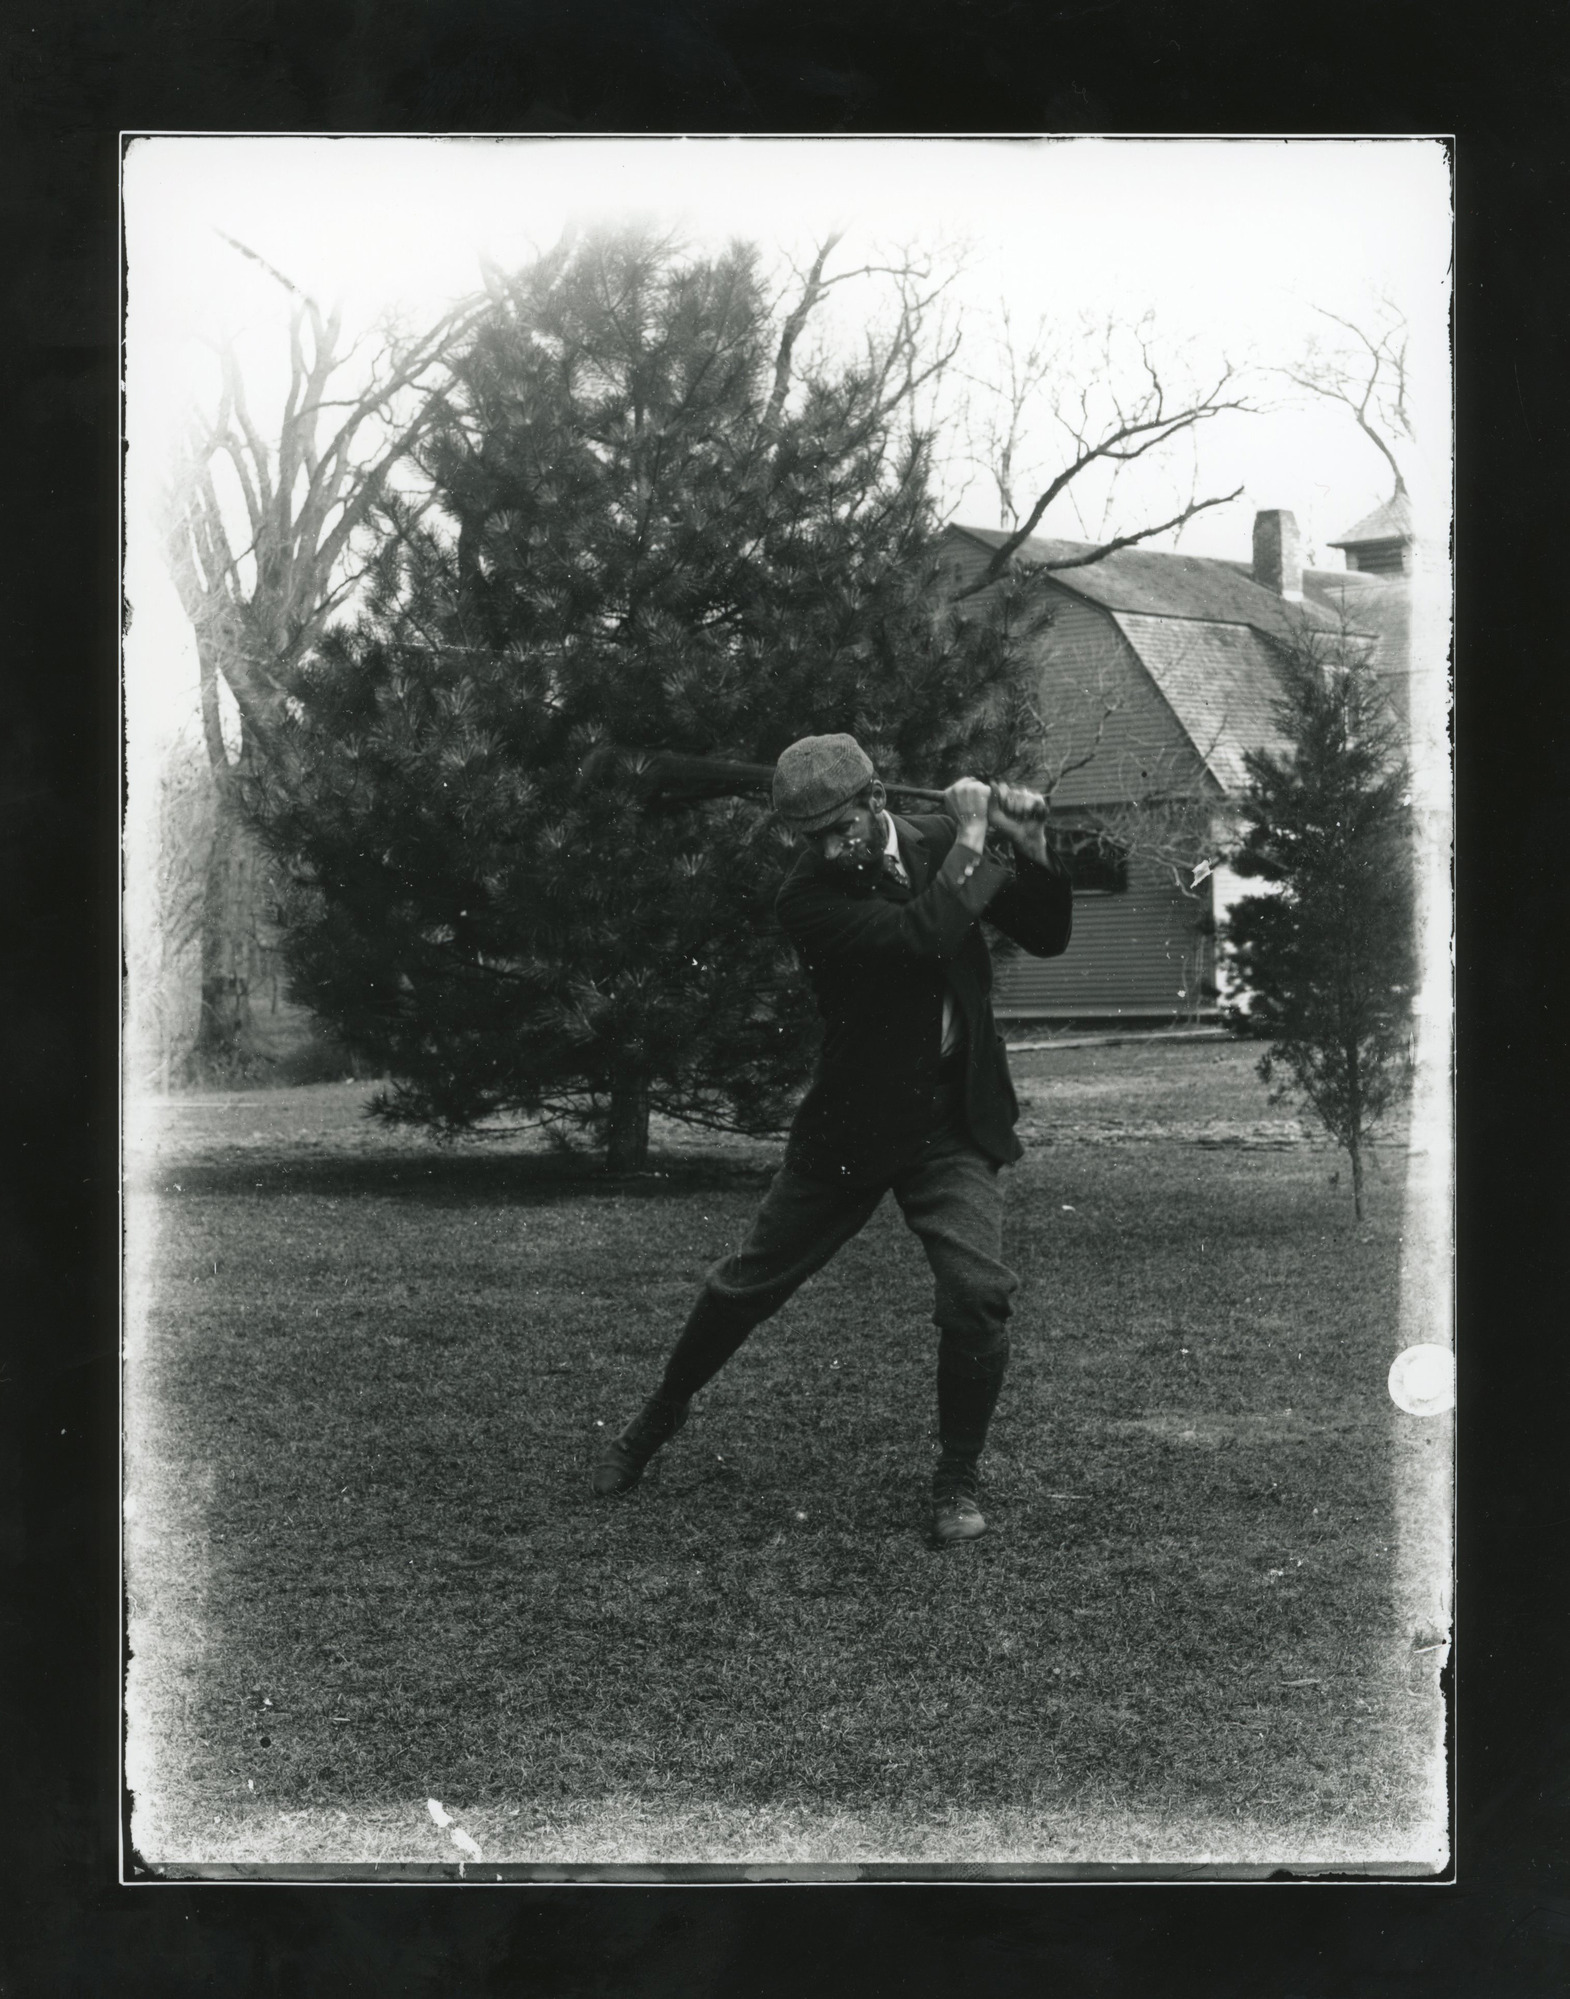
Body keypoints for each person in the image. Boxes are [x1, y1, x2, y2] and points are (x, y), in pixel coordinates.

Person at [592, 732, 1073, 1545]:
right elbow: (924, 932)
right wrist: (973, 837)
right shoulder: (807, 898)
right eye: (807, 836)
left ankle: (956, 1476)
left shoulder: (933, 843)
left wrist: (1028, 846)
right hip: (856, 1122)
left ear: (876, 801)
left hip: (953, 1120)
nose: (823, 848)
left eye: (836, 829)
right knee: (746, 1285)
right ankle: (654, 1420)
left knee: (976, 1292)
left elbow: (1049, 931)